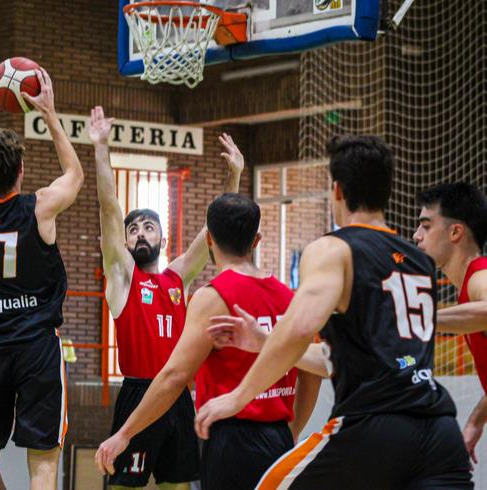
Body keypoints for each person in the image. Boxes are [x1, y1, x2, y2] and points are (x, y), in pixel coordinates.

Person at [195, 135, 472, 488]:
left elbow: (299, 328)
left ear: (337, 190)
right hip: (440, 432)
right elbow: (339, 356)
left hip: (373, 426)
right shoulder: (417, 258)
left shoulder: (333, 248)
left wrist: (237, 397)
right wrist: (266, 340)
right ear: (387, 190)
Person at [95, 193, 321, 489]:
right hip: (278, 436)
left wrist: (124, 433)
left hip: (230, 437)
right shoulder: (290, 298)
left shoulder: (213, 297)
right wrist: (293, 430)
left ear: (210, 241)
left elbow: (175, 376)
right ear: (257, 240)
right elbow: (313, 371)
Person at [88, 106, 244, 488]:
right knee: (126, 486)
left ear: (162, 237)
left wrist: (235, 174)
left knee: (179, 486)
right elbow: (110, 210)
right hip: (139, 392)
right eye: (134, 230)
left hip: (177, 395)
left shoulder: (177, 277)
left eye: (149, 227)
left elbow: (215, 229)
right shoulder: (123, 277)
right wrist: (101, 148)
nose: (140, 233)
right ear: (124, 243)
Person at [0, 68, 83, 490]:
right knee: (43, 466)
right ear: (22, 170)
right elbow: (75, 174)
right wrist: (49, 114)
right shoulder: (40, 208)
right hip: (36, 348)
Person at [413, 183, 487, 465]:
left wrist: (418, 316)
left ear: (456, 232)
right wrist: (475, 422)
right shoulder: (470, 285)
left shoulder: (480, 278)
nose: (416, 235)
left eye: (426, 226)